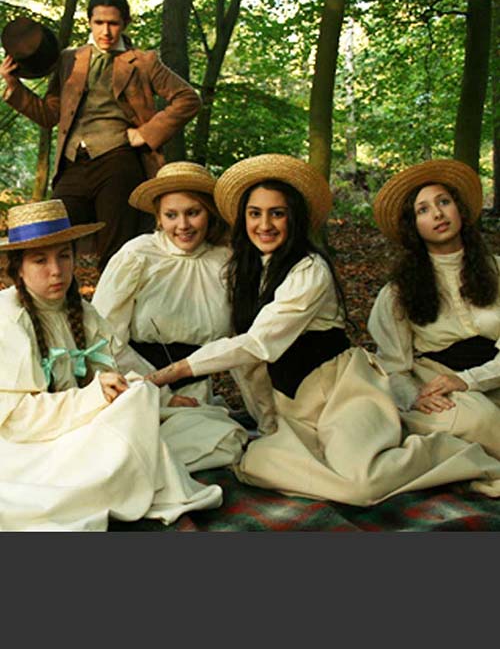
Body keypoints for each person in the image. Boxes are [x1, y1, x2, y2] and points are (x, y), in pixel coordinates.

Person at [144, 153, 500, 505]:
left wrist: (173, 372)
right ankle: (295, 457)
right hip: (296, 407)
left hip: (345, 391)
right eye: (255, 214)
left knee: (362, 484)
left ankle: (462, 457)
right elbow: (249, 366)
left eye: (277, 213)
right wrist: (268, 422)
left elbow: (258, 344)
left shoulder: (310, 269)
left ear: (294, 218)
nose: (265, 224)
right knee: (256, 462)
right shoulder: (243, 273)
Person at [0, 199, 222, 531]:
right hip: (26, 447)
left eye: (64, 255)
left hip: (76, 429)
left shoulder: (81, 311)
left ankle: (114, 472)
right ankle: (100, 483)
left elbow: (117, 365)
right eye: (39, 260)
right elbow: (16, 419)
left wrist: (161, 398)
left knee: (208, 425)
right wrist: (93, 397)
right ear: (18, 268)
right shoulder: (8, 319)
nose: (56, 270)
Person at [0, 0, 201, 270]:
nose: (106, 30)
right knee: (53, 240)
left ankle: (116, 312)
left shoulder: (143, 62)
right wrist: (14, 86)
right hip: (72, 166)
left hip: (118, 162)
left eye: (113, 23)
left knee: (117, 253)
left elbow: (188, 99)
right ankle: (66, 311)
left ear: (125, 23)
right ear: (89, 22)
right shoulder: (68, 59)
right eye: (99, 22)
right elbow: (49, 115)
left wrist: (147, 133)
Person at [92, 161, 248, 472]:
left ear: (210, 213)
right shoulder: (137, 255)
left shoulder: (226, 262)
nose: (183, 225)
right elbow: (102, 336)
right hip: (138, 386)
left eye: (193, 212)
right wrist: (159, 394)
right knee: (126, 447)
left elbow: (243, 342)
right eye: (171, 215)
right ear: (158, 217)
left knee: (227, 442)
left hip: (195, 392)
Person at [368, 158, 500, 462]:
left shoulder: (497, 270)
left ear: (460, 210)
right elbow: (392, 364)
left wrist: (471, 379)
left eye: (444, 202)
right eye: (423, 210)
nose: (438, 213)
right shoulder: (398, 292)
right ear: (413, 226)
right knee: (481, 421)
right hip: (439, 382)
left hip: (492, 373)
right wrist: (414, 398)